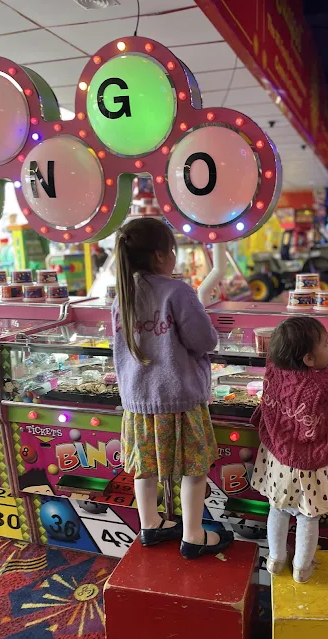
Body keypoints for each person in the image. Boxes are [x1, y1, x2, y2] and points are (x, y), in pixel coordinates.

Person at [112, 217, 233, 559]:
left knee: (144, 467)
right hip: (179, 398)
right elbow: (204, 339)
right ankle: (193, 535)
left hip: (138, 403)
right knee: (194, 468)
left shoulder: (122, 294)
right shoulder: (177, 291)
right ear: (160, 255)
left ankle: (150, 525)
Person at [250, 317, 328, 582]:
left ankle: (276, 560)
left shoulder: (274, 367)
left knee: (276, 509)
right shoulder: (324, 381)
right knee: (307, 515)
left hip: (277, 458)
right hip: (310, 465)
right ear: (309, 359)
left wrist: (326, 354)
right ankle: (302, 567)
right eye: (326, 344)